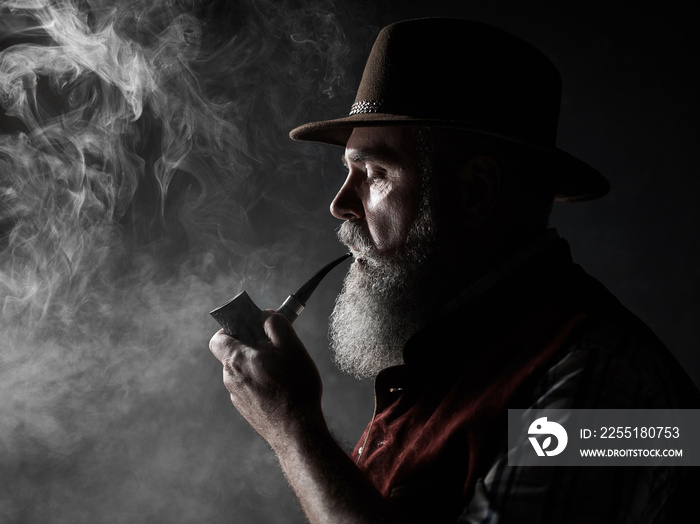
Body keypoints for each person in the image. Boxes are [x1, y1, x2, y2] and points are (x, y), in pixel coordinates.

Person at [209, 18, 700, 523]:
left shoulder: (609, 389)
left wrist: (294, 430)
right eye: (347, 172)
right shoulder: (446, 368)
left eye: (375, 173)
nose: (339, 205)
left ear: (474, 190)